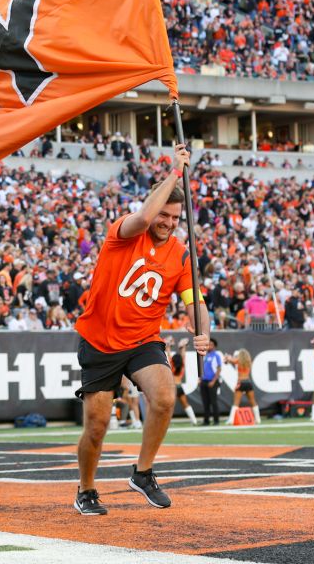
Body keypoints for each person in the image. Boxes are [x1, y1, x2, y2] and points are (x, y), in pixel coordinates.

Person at [72, 142, 212, 515]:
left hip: (143, 339)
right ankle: (86, 489)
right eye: (163, 215)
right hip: (100, 340)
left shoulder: (182, 253)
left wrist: (203, 330)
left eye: (174, 218)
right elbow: (143, 216)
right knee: (97, 426)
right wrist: (173, 172)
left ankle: (143, 472)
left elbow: (194, 302)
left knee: (165, 397)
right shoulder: (125, 233)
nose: (167, 223)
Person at [162, 336, 198, 426]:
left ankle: (166, 423)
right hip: (179, 386)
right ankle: (194, 421)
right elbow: (183, 356)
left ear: (173, 361)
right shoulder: (181, 367)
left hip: (172, 387)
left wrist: (168, 346)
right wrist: (183, 347)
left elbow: (169, 355)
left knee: (169, 406)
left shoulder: (172, 366)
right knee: (185, 404)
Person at [224, 349, 259, 425]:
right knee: (253, 401)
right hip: (248, 382)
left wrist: (227, 357)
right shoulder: (249, 362)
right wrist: (228, 358)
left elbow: (230, 360)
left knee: (236, 403)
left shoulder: (238, 361)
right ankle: (258, 419)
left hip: (241, 382)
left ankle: (231, 420)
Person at [199, 340, 223, 426]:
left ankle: (216, 421)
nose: (209, 346)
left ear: (215, 346)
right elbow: (203, 369)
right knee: (205, 402)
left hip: (212, 381)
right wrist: (200, 379)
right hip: (204, 381)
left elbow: (219, 369)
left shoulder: (216, 356)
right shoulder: (205, 355)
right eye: (208, 344)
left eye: (211, 344)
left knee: (213, 402)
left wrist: (213, 381)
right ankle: (206, 421)